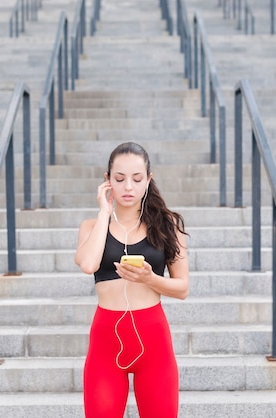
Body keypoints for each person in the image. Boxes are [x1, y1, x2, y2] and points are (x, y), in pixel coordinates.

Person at [74, 142, 190, 418]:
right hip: (106, 342)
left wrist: (150, 278)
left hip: (154, 342)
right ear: (107, 181)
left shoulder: (167, 226)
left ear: (148, 180)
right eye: (119, 178)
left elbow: (182, 288)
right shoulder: (91, 227)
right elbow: (89, 264)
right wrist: (104, 212)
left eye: (137, 179)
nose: (128, 187)